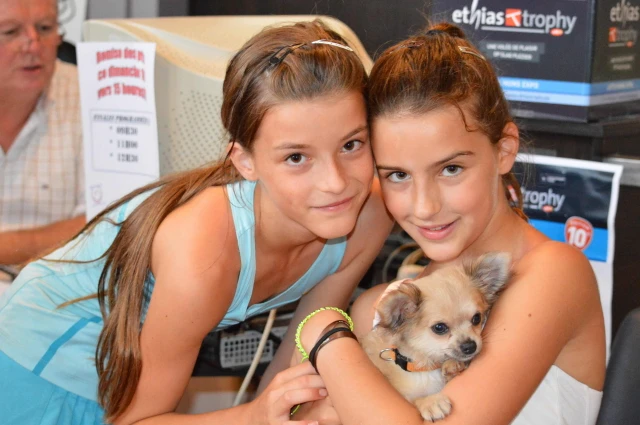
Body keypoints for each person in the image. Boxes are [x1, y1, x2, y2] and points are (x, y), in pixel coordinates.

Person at [0, 20, 393, 425]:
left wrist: (277, 411)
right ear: (244, 161)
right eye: (296, 157)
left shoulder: (369, 212)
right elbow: (136, 420)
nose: (335, 182)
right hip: (43, 358)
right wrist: (253, 416)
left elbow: (297, 356)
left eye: (351, 144)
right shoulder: (205, 253)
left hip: (127, 376)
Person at [292, 23, 606, 425]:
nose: (425, 207)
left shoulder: (553, 274)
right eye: (398, 175)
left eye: (451, 168)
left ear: (504, 150)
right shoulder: (380, 309)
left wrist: (326, 336)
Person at [0, 0, 85, 271]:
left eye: (45, 28)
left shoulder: (90, 96)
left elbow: (102, 223)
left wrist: (8, 247)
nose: (34, 45)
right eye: (10, 32)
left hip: (54, 284)